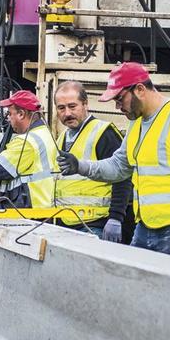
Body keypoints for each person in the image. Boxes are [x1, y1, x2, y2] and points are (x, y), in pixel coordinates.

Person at [57, 62, 170, 261]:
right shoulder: (137, 124)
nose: (117, 106)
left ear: (140, 89)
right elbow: (118, 167)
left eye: (120, 99)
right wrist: (80, 166)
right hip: (147, 226)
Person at [54, 81, 132, 242]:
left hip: (96, 224)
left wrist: (116, 218)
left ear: (85, 104)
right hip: (67, 223)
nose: (67, 113)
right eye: (61, 108)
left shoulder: (103, 132)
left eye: (72, 106)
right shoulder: (63, 137)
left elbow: (122, 176)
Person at [0, 90, 58, 207]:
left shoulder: (26, 141)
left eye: (10, 114)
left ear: (21, 114)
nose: (8, 118)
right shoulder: (45, 133)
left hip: (30, 210)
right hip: (44, 205)